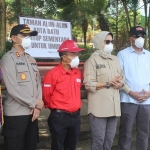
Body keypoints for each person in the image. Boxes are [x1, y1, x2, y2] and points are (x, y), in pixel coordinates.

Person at [0, 24, 44, 150]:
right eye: (24, 35)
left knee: (31, 146)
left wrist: (38, 106)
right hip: (16, 114)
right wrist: (34, 103)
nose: (28, 38)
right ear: (14, 38)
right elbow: (13, 89)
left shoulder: (31, 59)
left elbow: (37, 84)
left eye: (29, 36)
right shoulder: (8, 59)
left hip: (32, 113)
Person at [83, 31, 126, 150]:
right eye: (107, 41)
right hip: (99, 109)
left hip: (114, 107)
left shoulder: (115, 59)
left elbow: (122, 78)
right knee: (98, 142)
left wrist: (120, 84)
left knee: (109, 142)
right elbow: (88, 84)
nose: (110, 44)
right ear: (99, 42)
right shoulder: (92, 61)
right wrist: (108, 83)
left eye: (112, 41)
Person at [42, 39, 84, 150]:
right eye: (73, 53)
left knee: (71, 146)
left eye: (77, 53)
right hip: (59, 117)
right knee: (57, 146)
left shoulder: (77, 73)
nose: (76, 56)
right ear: (63, 57)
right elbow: (47, 97)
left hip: (76, 117)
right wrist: (57, 109)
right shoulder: (52, 74)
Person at [117, 26, 150, 150]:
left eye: (142, 36)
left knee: (143, 132)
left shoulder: (149, 55)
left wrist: (149, 94)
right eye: (137, 36)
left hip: (146, 101)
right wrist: (131, 93)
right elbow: (119, 78)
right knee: (125, 132)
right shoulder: (122, 54)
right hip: (128, 100)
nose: (140, 38)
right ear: (131, 38)